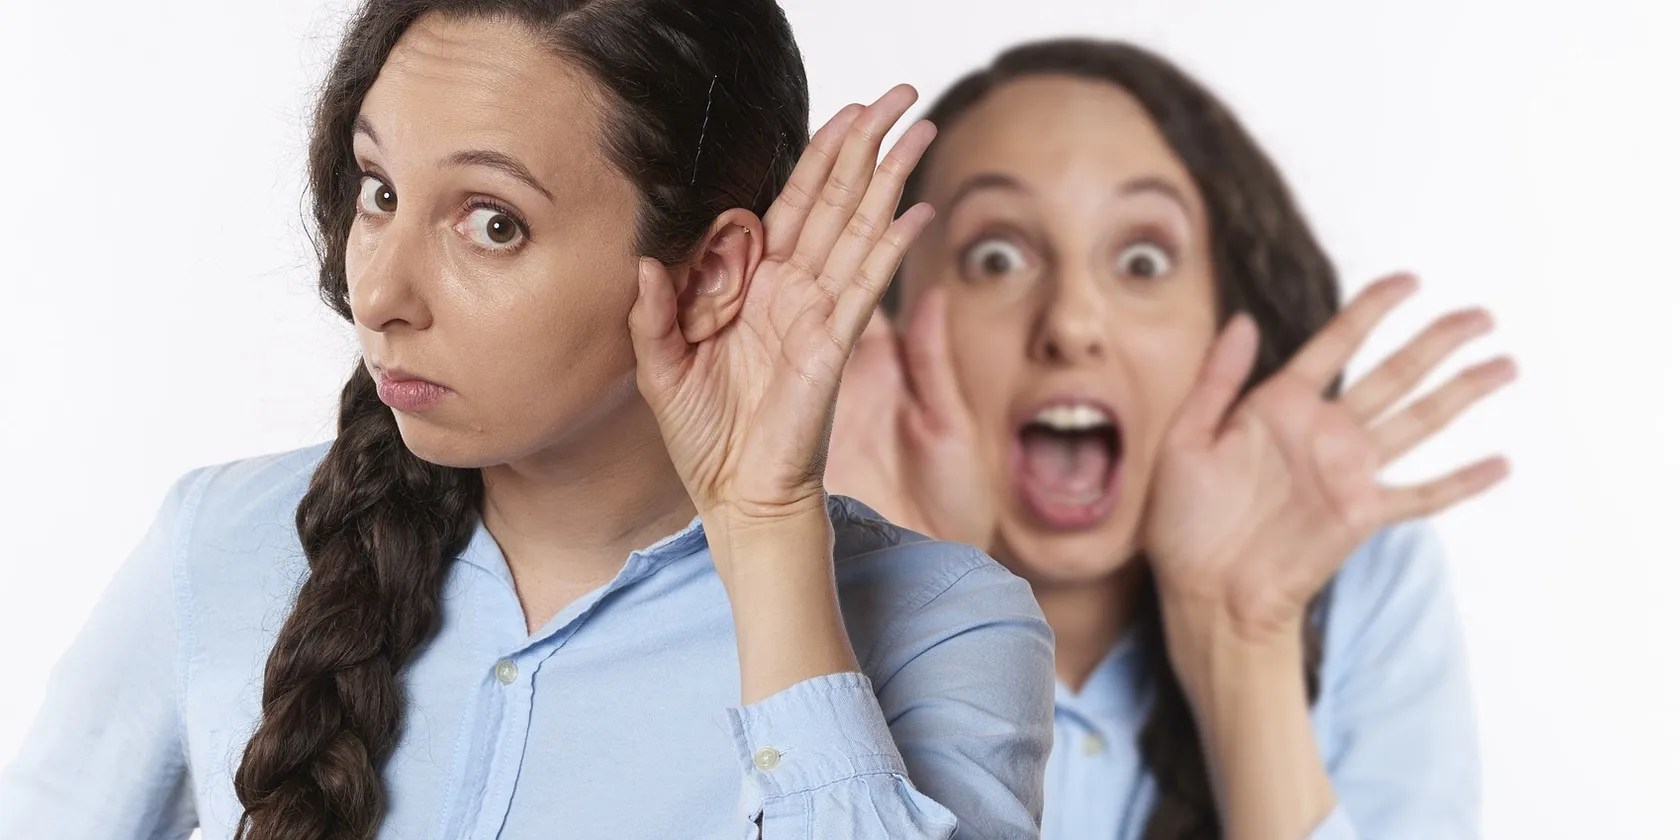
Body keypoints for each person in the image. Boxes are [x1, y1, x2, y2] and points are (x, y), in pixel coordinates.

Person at [0, 3, 1056, 838]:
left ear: (711, 272)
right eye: (378, 191)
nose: (381, 293)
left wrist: (763, 520)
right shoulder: (221, 545)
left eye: (492, 223)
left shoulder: (945, 628)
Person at [827, 38, 1513, 840]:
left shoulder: (1360, 575)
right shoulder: (776, 574)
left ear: (1225, 318)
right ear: (896, 309)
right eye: (997, 256)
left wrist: (1241, 641)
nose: (1073, 322)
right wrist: (886, 603)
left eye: (1144, 260)